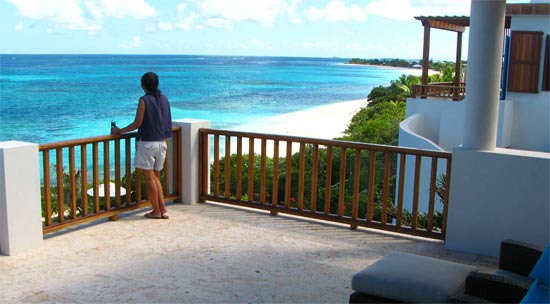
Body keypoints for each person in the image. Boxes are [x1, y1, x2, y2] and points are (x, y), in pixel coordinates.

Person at [111, 72, 172, 219]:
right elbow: (167, 121)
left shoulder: (144, 100)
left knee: (150, 178)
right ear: (157, 84)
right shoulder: (164, 98)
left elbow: (137, 123)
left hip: (148, 144)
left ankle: (156, 211)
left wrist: (119, 131)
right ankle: (162, 209)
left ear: (143, 86)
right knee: (156, 177)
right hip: (162, 142)